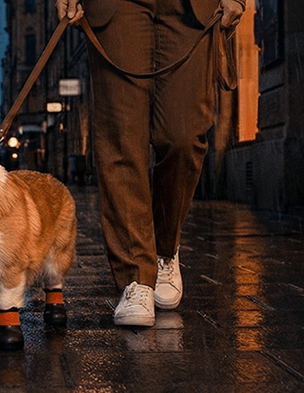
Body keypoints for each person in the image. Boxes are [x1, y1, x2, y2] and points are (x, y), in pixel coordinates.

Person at [55, 0, 244, 326]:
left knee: (183, 136)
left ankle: (165, 248)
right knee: (121, 137)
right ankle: (135, 278)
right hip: (116, 7)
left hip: (191, 7)